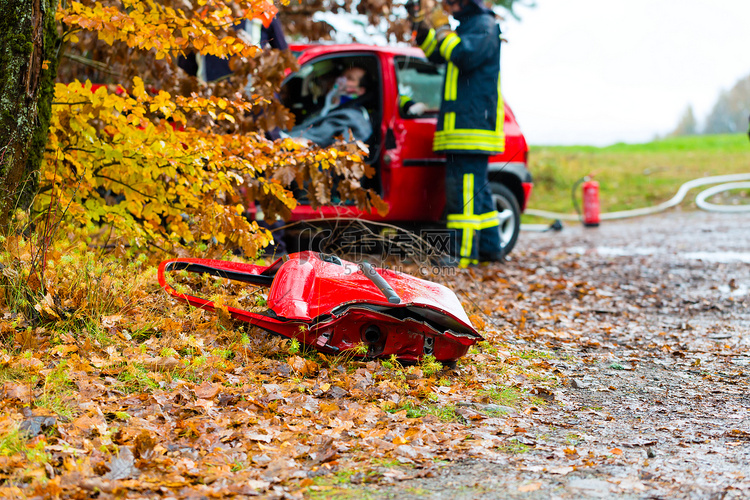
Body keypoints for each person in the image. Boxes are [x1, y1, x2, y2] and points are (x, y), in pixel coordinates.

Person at [408, 0, 505, 267]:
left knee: (464, 192)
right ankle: (489, 249)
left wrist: (442, 29)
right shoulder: (467, 27)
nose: (449, 7)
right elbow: (437, 54)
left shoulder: (483, 26)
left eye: (452, 2)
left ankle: (462, 255)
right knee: (479, 193)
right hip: (463, 126)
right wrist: (421, 22)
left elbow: (463, 56)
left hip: (471, 126)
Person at [285, 65, 373, 147]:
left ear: (360, 90)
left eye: (350, 78)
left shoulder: (354, 117)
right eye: (343, 75)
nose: (342, 79)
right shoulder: (330, 106)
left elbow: (315, 136)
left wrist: (282, 138)